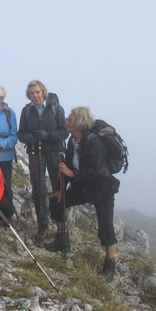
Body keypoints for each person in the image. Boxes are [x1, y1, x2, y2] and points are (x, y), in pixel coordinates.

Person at [48, 107, 120, 281]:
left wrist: (72, 174)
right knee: (57, 201)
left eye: (70, 120)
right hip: (83, 185)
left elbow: (96, 170)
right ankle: (62, 239)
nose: (66, 122)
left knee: (105, 225)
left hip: (101, 188)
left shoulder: (93, 141)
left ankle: (110, 265)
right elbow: (66, 166)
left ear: (80, 123)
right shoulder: (73, 141)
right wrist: (61, 189)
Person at [17, 79, 68, 245]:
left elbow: (64, 131)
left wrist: (48, 135)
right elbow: (21, 133)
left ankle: (62, 228)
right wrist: (28, 137)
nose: (35, 96)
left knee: (58, 188)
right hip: (35, 152)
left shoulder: (55, 109)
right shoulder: (27, 111)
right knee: (38, 189)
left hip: (54, 152)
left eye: (37, 92)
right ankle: (43, 226)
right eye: (32, 93)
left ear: (43, 92)